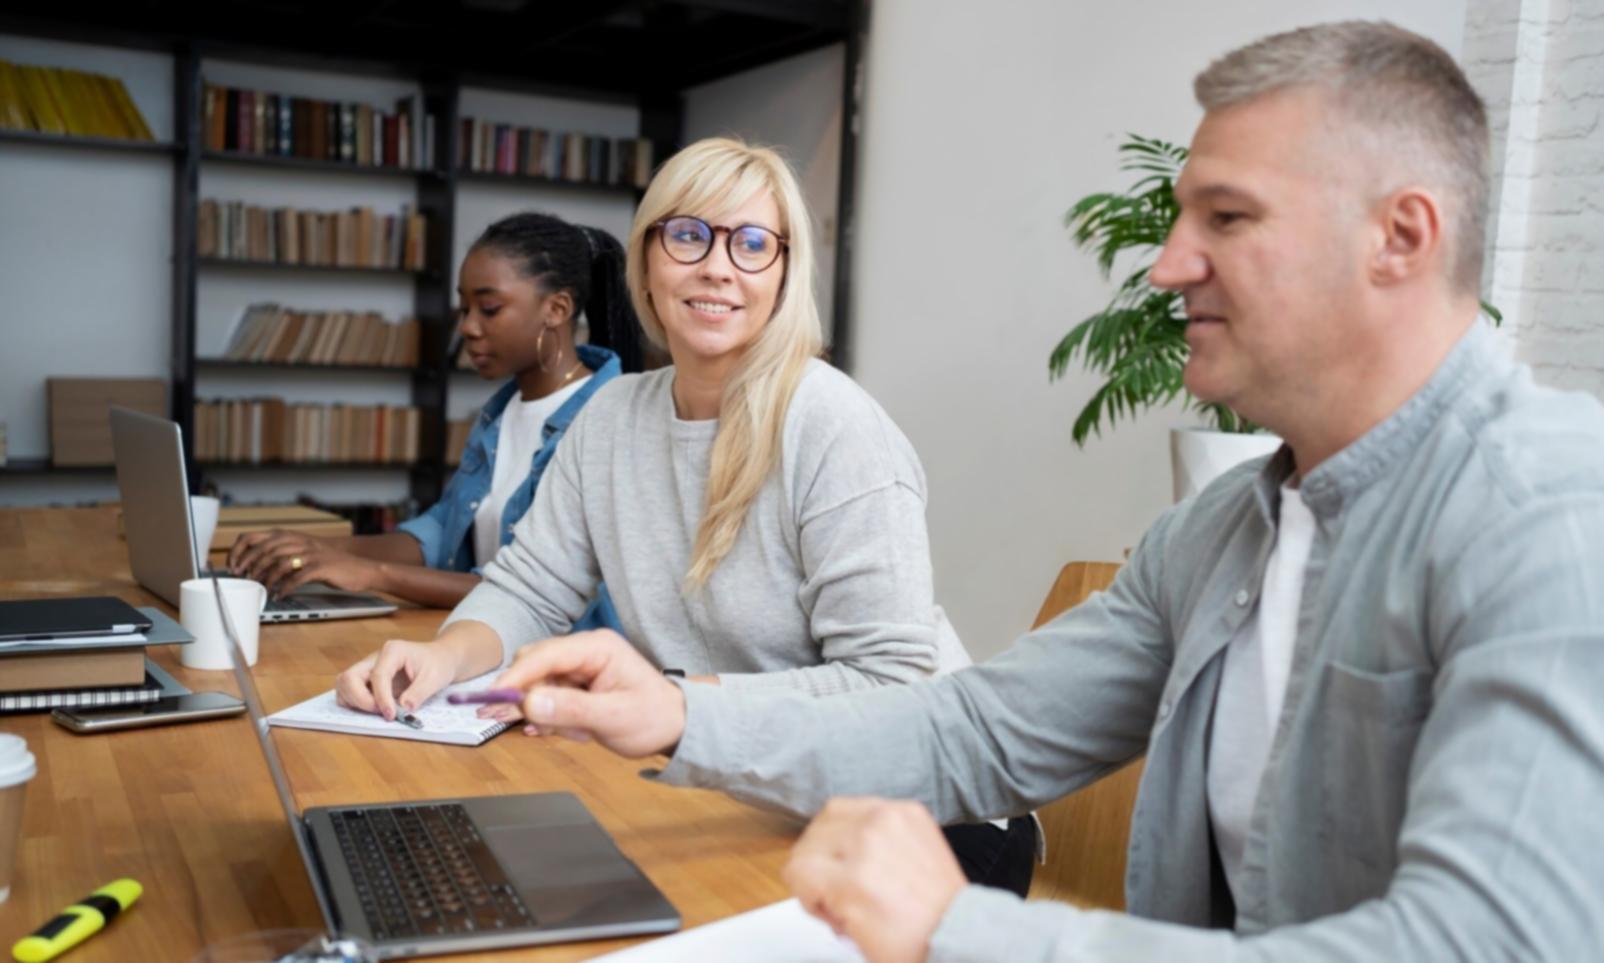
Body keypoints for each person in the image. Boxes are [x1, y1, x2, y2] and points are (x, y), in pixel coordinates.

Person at [481, 21, 1604, 962]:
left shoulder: (1549, 513)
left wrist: (959, 932)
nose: (1166, 263)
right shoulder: (1220, 533)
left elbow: (1479, 944)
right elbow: (973, 727)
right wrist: (679, 712)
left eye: (1226, 218)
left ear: (1397, 238)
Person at [333, 138, 1036, 895]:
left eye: (754, 243)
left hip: (923, 815)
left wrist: (675, 704)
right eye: (689, 234)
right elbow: (531, 586)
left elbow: (890, 683)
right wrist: (441, 658)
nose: (717, 265)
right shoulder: (609, 420)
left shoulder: (833, 423)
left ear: (786, 272)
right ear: (648, 259)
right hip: (745, 787)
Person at [228, 212, 636, 611]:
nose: (467, 328)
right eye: (464, 309)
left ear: (557, 309)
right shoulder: (502, 412)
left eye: (489, 308)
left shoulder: (607, 421)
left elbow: (537, 592)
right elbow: (441, 531)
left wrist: (373, 573)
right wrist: (315, 549)